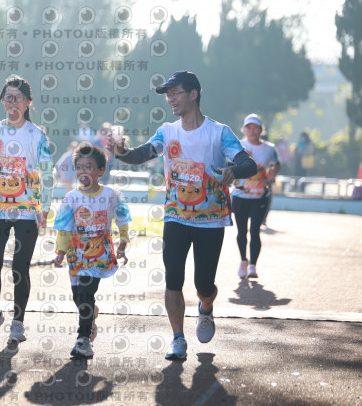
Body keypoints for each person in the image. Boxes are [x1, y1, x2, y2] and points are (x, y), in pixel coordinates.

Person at [106, 71, 256, 360]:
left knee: (204, 285)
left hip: (210, 220)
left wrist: (233, 171)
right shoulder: (167, 131)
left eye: (175, 93)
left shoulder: (219, 132)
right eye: (168, 95)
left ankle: (206, 307)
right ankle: (178, 339)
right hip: (176, 216)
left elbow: (248, 165)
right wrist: (122, 152)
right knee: (173, 278)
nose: (170, 99)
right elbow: (142, 154)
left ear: (193, 94)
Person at [0, 75, 53, 343]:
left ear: (28, 102)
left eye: (18, 98)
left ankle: (18, 322)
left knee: (20, 267)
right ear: (3, 101)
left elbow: (47, 173)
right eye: (8, 97)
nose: (12, 102)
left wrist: (45, 207)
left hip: (28, 210)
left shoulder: (37, 135)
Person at [53, 144, 131, 359]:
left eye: (89, 167)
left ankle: (83, 339)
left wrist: (123, 243)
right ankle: (90, 315)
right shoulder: (71, 198)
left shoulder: (112, 195)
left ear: (100, 171)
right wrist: (60, 251)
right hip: (76, 256)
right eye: (79, 167)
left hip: (99, 255)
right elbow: (64, 228)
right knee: (79, 297)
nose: (83, 172)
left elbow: (122, 220)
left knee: (87, 293)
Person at [232, 114, 281, 279]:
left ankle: (253, 265)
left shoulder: (270, 149)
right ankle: (243, 261)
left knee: (255, 231)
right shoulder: (238, 146)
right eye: (249, 128)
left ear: (261, 130)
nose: (252, 131)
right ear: (244, 130)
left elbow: (276, 164)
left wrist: (273, 172)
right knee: (241, 232)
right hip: (240, 195)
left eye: (255, 128)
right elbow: (228, 162)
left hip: (259, 196)